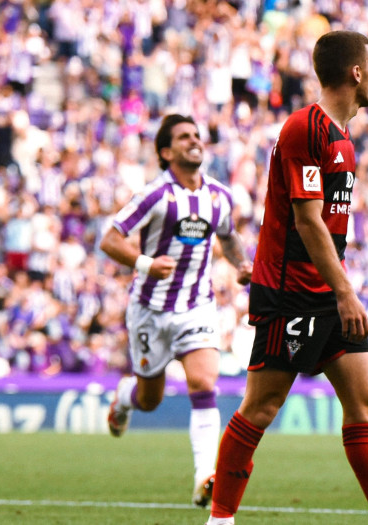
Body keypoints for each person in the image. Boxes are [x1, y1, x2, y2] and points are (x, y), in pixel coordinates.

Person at [205, 31, 368, 525]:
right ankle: (219, 520)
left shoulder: (343, 138)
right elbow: (308, 220)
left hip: (328, 290)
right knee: (261, 408)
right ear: (355, 72)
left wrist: (341, 288)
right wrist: (346, 291)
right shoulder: (306, 128)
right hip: (291, 294)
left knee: (365, 405)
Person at [101, 113, 253, 507]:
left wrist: (241, 264)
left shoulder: (219, 195)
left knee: (204, 384)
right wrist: (146, 264)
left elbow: (228, 237)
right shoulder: (155, 195)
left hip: (197, 306)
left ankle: (206, 476)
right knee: (149, 399)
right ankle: (123, 398)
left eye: (197, 135)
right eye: (184, 137)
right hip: (150, 309)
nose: (194, 141)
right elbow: (110, 239)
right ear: (167, 152)